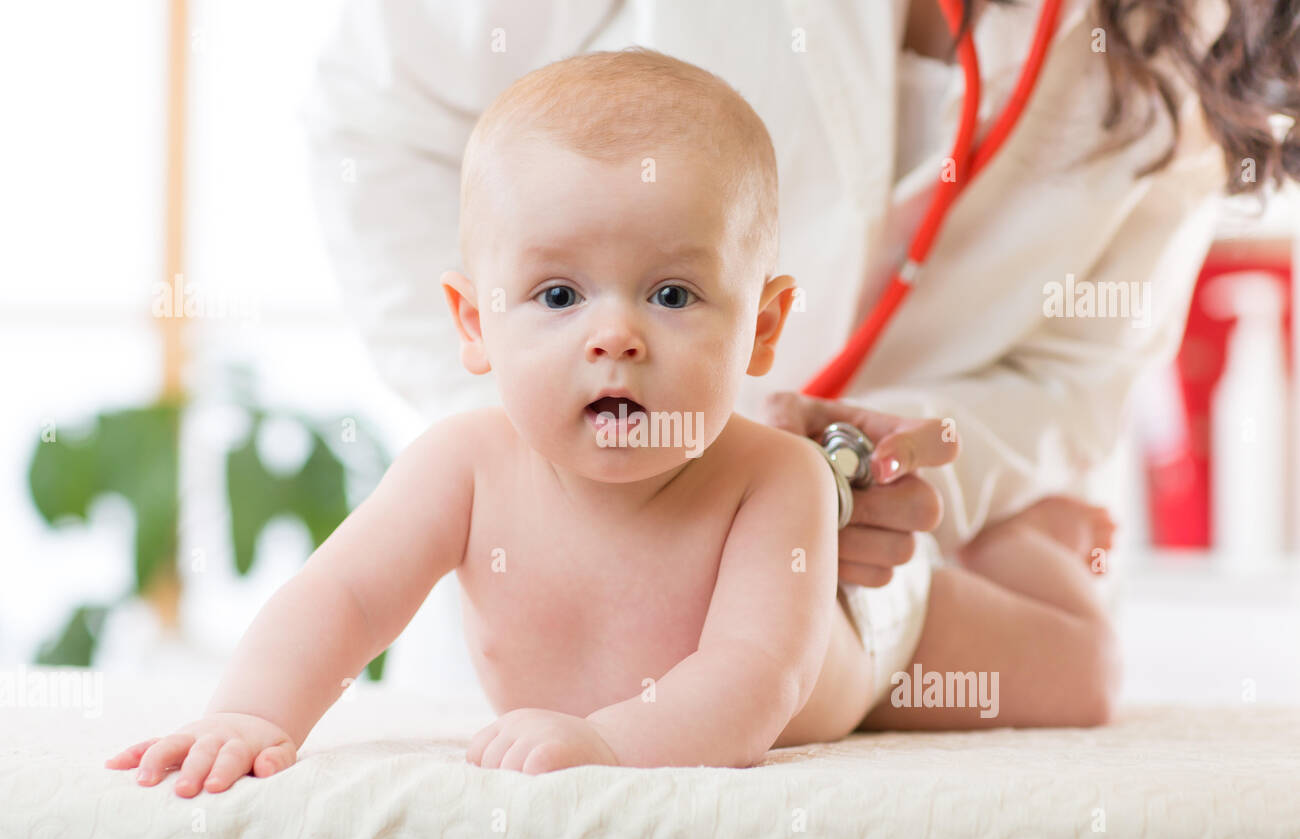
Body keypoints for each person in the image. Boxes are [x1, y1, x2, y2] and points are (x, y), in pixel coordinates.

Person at [298, 0, 1298, 728]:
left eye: (671, 293)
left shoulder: (1189, 47)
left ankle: (1031, 560)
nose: (612, 336)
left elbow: (747, 682)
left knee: (1068, 671)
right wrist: (247, 718)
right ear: (473, 318)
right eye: (558, 296)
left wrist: (888, 469)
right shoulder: (470, 466)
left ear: (759, 323)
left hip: (887, 559)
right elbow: (331, 598)